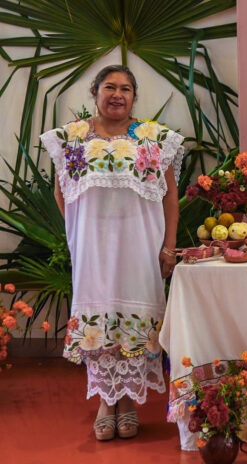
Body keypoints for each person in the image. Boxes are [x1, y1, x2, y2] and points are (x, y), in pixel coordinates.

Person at [40, 65, 184, 441]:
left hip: (141, 245)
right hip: (93, 248)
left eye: (125, 88)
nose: (117, 94)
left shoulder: (155, 138)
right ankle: (107, 400)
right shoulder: (71, 138)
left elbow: (170, 197)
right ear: (95, 91)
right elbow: (62, 192)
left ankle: (129, 402)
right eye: (109, 87)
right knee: (97, 315)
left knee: (135, 315)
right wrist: (80, 232)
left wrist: (168, 246)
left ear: (134, 96)